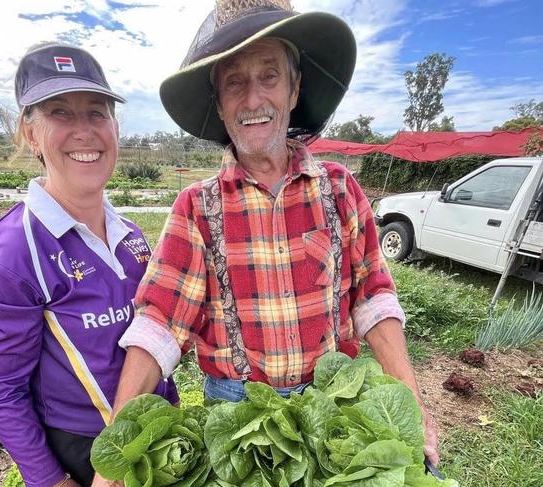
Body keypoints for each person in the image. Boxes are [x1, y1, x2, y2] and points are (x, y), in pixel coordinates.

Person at [112, 0, 438, 480]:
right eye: (234, 83)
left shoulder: (340, 189)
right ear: (219, 104)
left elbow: (373, 297)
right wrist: (119, 450)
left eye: (268, 76)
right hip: (237, 422)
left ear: (293, 89)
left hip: (332, 404)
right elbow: (160, 322)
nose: (252, 99)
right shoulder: (196, 207)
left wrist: (412, 400)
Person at [0, 42, 178, 487]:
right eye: (60, 113)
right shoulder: (11, 252)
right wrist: (52, 480)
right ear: (30, 132)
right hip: (81, 451)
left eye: (97, 113)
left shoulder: (131, 236)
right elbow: (1, 390)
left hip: (158, 434)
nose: (85, 132)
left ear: (115, 127)